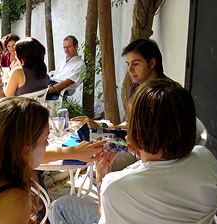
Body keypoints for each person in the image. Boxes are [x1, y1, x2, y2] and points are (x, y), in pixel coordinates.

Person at [48, 79, 217, 224]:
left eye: (130, 122)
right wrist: (143, 152)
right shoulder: (207, 158)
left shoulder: (117, 185)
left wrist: (101, 178)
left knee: (60, 208)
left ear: (138, 131)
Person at [72, 38, 170, 170]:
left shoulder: (164, 94)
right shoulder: (136, 86)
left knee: (101, 163)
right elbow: (130, 124)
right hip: (136, 147)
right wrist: (101, 126)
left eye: (135, 63)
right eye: (128, 64)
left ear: (152, 63)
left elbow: (151, 138)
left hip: (155, 156)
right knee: (95, 157)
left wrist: (109, 134)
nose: (130, 69)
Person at [46, 35, 86, 100]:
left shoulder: (80, 64)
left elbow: (65, 83)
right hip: (50, 83)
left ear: (76, 46)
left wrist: (46, 91)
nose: (66, 50)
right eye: (64, 47)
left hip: (58, 89)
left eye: (69, 47)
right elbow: (55, 76)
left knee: (32, 95)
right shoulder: (63, 61)